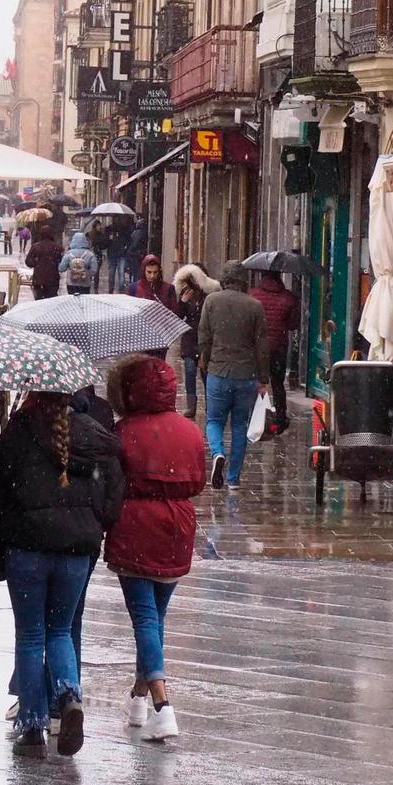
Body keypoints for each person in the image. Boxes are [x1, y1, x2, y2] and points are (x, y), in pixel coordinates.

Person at [0, 390, 125, 758]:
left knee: (31, 635)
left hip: (28, 547)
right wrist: (94, 523)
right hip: (75, 550)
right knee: (61, 631)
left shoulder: (21, 429)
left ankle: (33, 728)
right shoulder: (92, 431)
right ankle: (68, 694)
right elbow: (113, 490)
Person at [105, 356, 206, 741]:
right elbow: (196, 482)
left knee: (145, 620)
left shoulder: (123, 431)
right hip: (177, 528)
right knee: (156, 619)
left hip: (135, 528)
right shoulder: (189, 431)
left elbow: (113, 484)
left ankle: (164, 707)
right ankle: (138, 699)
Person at [198, 262, 270, 491]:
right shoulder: (255, 306)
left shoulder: (212, 301)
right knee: (240, 425)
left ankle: (218, 452)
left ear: (224, 279)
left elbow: (204, 337)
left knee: (214, 420)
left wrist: (206, 362)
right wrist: (263, 378)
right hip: (245, 374)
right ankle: (233, 479)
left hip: (218, 371)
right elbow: (262, 346)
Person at [249, 269, 300, 433]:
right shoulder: (289, 298)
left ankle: (254, 417)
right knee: (278, 384)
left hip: (257, 348)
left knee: (256, 383)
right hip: (278, 348)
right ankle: (279, 419)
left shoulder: (252, 295)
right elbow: (293, 325)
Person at [174, 273, 206, 420]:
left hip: (205, 338)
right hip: (189, 338)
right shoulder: (185, 292)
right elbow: (178, 316)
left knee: (206, 373)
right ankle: (191, 405)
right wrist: (183, 302)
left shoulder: (208, 294)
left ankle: (209, 404)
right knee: (189, 370)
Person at [25, 227, 64, 301]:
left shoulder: (35, 247)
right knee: (51, 300)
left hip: (39, 277)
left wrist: (36, 263)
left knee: (39, 300)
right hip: (53, 277)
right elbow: (61, 262)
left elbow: (28, 261)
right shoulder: (57, 248)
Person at [58, 230, 98, 296]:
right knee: (84, 301)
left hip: (71, 283)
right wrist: (86, 273)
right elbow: (94, 270)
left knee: (72, 301)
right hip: (85, 283)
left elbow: (61, 268)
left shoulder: (68, 254)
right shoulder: (90, 254)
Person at [107, 219, 132, 294]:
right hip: (120, 254)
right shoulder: (124, 229)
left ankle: (111, 289)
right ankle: (120, 289)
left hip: (113, 254)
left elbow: (105, 242)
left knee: (113, 272)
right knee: (120, 273)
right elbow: (128, 240)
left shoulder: (109, 229)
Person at [86, 219, 107, 287]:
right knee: (89, 270)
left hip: (98, 255)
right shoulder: (89, 234)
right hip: (90, 254)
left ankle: (95, 285)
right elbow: (87, 244)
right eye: (98, 225)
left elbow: (103, 246)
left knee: (97, 271)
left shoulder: (101, 235)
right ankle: (89, 283)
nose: (99, 227)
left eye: (100, 225)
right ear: (95, 226)